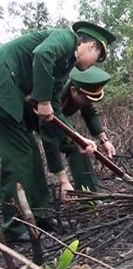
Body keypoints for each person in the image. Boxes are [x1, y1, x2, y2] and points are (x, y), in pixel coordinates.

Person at [0, 21, 115, 243]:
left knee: (31, 153)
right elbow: (42, 54)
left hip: (10, 94)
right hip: (4, 86)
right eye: (98, 59)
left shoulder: (63, 68)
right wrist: (42, 100)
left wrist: (80, 139)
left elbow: (55, 114)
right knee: (19, 157)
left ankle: (38, 215)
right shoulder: (65, 39)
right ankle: (13, 228)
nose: (93, 66)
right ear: (90, 46)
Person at [40, 66, 114, 202]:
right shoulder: (55, 96)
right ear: (74, 91)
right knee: (27, 159)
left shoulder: (81, 91)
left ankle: (90, 199)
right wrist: (63, 180)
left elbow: (90, 112)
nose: (89, 103)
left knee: (78, 146)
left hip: (57, 119)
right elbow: (48, 137)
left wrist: (104, 140)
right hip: (23, 120)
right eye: (87, 99)